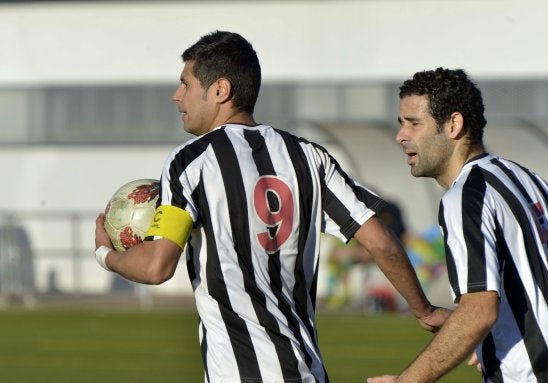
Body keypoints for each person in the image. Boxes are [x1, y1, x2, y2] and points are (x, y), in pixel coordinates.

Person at [94, 31, 449, 383]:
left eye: (185, 84)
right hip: (307, 373)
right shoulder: (310, 157)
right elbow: (382, 243)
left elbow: (157, 266)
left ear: (220, 90)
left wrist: (104, 254)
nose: (176, 96)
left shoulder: (191, 161)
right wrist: (424, 310)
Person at [368, 67, 548, 382]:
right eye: (401, 124)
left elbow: (479, 311)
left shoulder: (466, 196)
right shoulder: (528, 179)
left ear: (453, 124)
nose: (401, 136)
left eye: (414, 123)